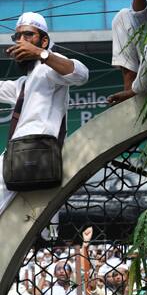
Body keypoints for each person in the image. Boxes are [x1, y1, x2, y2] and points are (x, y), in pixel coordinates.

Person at [0, 12, 90, 214]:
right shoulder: (24, 84)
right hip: (19, 154)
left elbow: (81, 74)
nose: (21, 41)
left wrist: (41, 54)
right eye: (17, 38)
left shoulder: (48, 69)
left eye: (28, 35)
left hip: (36, 151)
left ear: (44, 41)